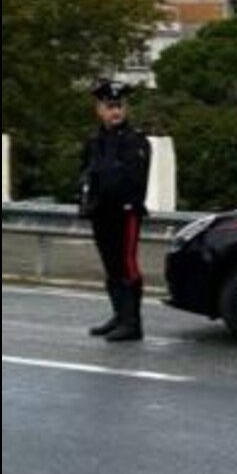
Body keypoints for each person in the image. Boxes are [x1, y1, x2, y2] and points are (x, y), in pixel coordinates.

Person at [78, 80, 150, 342]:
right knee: (111, 265)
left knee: (127, 264)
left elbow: (136, 178)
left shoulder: (135, 140)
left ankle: (132, 323)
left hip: (125, 211)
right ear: (99, 109)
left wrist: (129, 203)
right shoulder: (94, 140)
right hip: (101, 211)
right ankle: (119, 315)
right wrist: (86, 201)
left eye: (119, 106)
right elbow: (86, 173)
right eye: (110, 106)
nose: (115, 111)